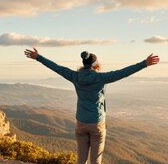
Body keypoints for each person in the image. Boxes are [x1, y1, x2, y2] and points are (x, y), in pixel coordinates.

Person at [24, 48, 160, 164]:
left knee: (81, 159)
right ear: (95, 64)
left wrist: (38, 57)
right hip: (97, 123)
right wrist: (144, 64)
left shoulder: (75, 76)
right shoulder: (100, 78)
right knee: (96, 159)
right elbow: (122, 73)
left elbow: (57, 68)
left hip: (81, 123)